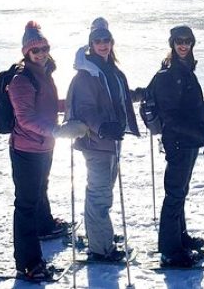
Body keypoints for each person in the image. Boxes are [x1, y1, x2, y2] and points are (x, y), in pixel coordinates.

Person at [7, 21, 87, 282]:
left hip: (44, 146)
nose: (41, 53)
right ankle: (28, 264)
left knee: (41, 189)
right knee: (26, 205)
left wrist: (76, 106)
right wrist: (57, 131)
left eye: (44, 48)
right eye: (35, 50)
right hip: (26, 149)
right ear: (26, 52)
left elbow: (51, 104)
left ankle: (44, 225)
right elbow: (26, 118)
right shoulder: (21, 80)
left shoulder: (45, 74)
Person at [66, 19, 141, 262]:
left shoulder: (110, 69)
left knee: (103, 193)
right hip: (97, 143)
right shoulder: (88, 73)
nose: (103, 44)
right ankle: (100, 249)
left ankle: (100, 236)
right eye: (98, 41)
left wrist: (140, 95)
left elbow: (115, 98)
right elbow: (86, 109)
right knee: (99, 195)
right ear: (91, 44)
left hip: (111, 142)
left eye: (106, 40)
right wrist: (102, 128)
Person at [153, 25, 204, 268]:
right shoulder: (170, 74)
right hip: (178, 143)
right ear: (172, 44)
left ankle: (180, 238)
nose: (183, 45)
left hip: (188, 142)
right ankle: (170, 250)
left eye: (187, 41)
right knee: (174, 194)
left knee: (180, 192)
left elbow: (187, 107)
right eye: (178, 41)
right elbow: (172, 117)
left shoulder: (184, 70)